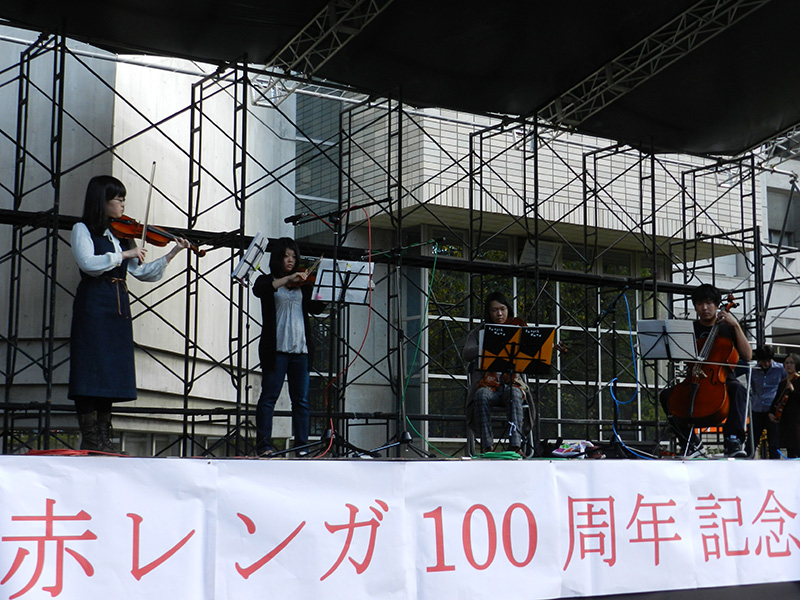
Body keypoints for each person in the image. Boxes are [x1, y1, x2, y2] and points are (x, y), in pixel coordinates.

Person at [69, 175, 190, 453]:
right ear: (102, 201)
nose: (123, 205)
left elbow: (142, 272)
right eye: (118, 199)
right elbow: (88, 263)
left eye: (123, 199)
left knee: (111, 370)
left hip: (118, 304)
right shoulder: (82, 229)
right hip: (94, 301)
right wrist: (124, 255)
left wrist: (172, 253)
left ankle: (103, 438)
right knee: (91, 367)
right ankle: (91, 438)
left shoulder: (121, 235)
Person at [660, 283, 752, 458]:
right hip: (694, 378)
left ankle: (733, 440)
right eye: (700, 303)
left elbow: (747, 356)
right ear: (695, 306)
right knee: (666, 396)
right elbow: (679, 356)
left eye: (709, 303)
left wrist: (736, 326)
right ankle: (691, 443)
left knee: (738, 390)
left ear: (717, 305)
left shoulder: (727, 328)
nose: (704, 308)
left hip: (722, 380)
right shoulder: (690, 330)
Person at [252, 238, 325, 457]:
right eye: (286, 256)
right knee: (269, 398)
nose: (291, 260)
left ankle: (301, 446)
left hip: (300, 351)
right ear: (278, 258)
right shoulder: (267, 281)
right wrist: (287, 280)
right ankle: (264, 445)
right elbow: (260, 290)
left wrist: (326, 290)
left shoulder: (303, 285)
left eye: (294, 256)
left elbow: (317, 308)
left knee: (301, 401)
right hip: (276, 350)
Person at [463, 291, 529, 455]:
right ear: (489, 313)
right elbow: (466, 353)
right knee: (481, 395)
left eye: (502, 309)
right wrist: (487, 344)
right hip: (487, 384)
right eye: (494, 310)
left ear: (508, 310)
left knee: (515, 393)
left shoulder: (517, 329)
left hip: (511, 383)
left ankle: (515, 446)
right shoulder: (478, 332)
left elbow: (533, 350)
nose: (499, 314)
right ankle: (487, 446)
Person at [748, 346, 786, 459]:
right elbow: (753, 388)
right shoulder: (753, 370)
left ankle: (775, 466)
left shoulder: (781, 369)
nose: (766, 364)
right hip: (757, 408)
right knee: (751, 442)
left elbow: (784, 388)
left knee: (774, 443)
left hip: (773, 410)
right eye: (763, 361)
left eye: (768, 360)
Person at [770, 353, 800, 458]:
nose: (788, 365)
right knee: (790, 449)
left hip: (796, 419)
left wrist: (792, 391)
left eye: (791, 363)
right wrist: (771, 412)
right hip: (786, 419)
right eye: (786, 363)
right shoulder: (783, 382)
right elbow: (777, 399)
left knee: (797, 447)